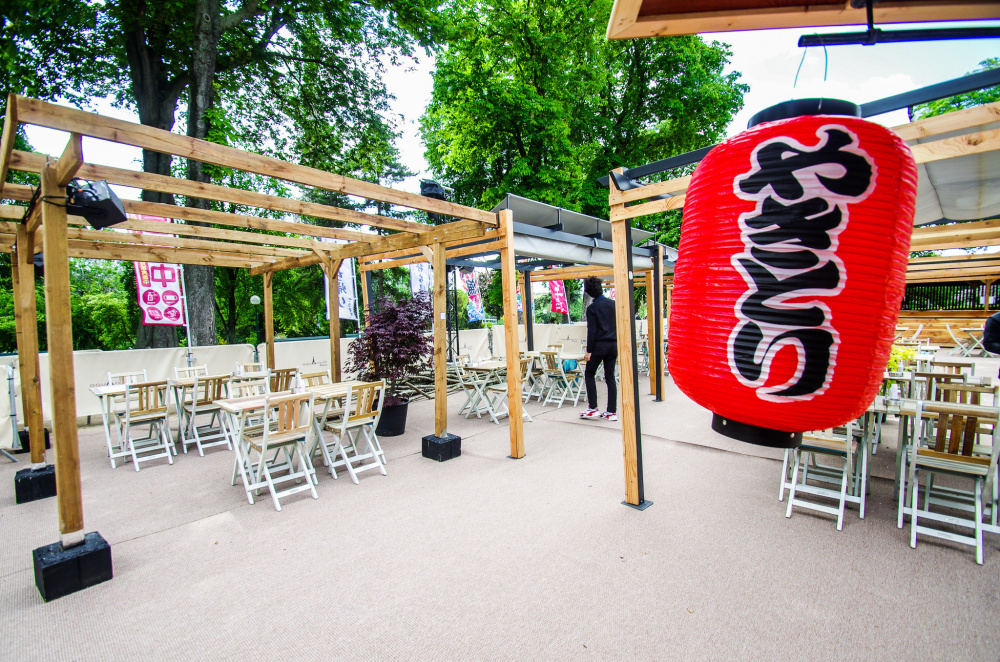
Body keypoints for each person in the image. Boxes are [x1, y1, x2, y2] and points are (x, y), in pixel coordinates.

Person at [580, 276, 618, 421]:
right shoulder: (613, 304)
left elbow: (592, 331)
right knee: (610, 377)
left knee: (589, 374)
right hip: (613, 345)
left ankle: (593, 407)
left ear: (588, 292)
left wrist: (589, 351)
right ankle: (611, 412)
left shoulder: (592, 308)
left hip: (599, 346)